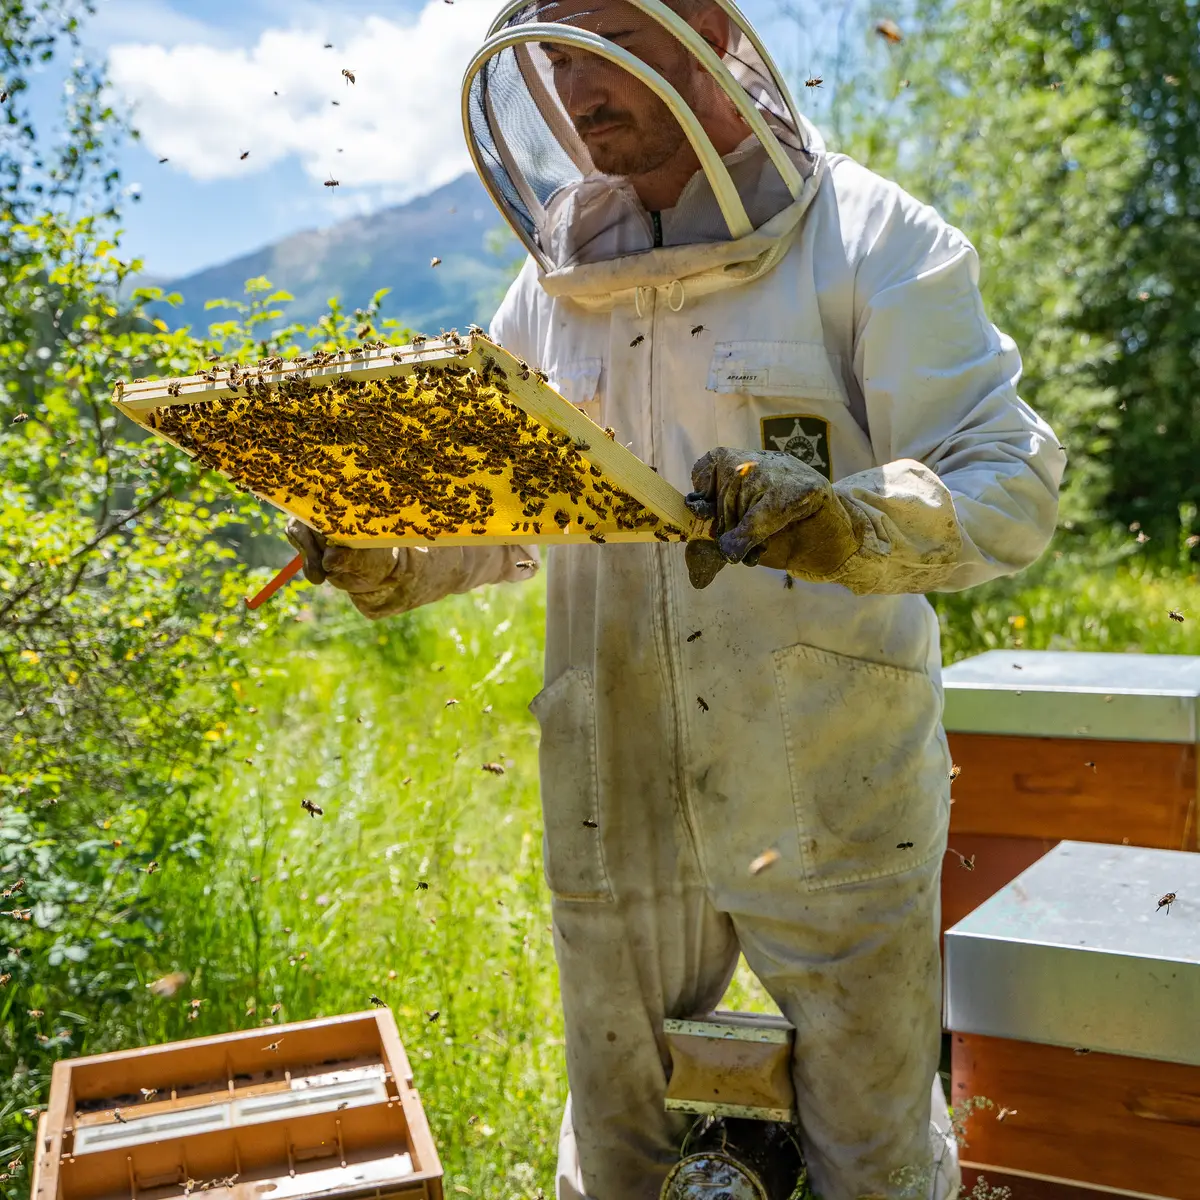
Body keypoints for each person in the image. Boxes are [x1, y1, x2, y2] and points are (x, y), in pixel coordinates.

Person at [287, 0, 1065, 1196]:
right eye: (550, 59)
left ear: (707, 38)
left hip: (831, 788)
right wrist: (385, 549)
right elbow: (503, 514)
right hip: (616, 788)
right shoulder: (554, 284)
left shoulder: (868, 239)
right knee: (620, 1154)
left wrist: (847, 519)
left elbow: (1006, 479)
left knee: (873, 1150)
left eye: (608, 45)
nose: (574, 85)